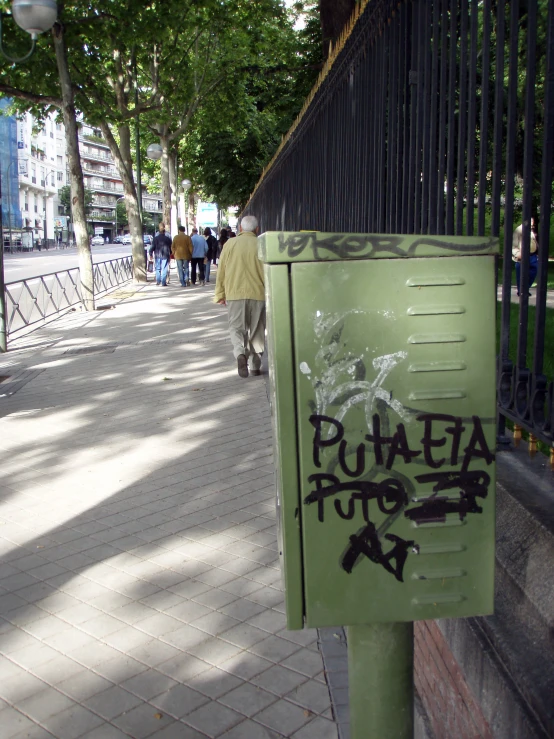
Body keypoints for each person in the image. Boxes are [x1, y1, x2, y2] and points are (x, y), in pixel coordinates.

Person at [214, 215, 265, 378]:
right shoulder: (262, 244)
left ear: (241, 229)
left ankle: (240, 354)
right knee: (257, 331)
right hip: (259, 294)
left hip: (235, 294)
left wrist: (220, 294)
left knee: (236, 329)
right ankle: (255, 367)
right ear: (257, 229)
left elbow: (221, 271)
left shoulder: (230, 244)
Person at [513, 218, 539, 296]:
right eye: (531, 221)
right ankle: (521, 291)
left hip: (532, 255)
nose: (532, 223)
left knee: (534, 271)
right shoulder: (519, 230)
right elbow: (514, 244)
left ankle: (525, 289)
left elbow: (534, 242)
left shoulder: (530, 230)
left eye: (533, 222)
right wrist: (517, 254)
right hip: (522, 255)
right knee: (521, 274)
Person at [149, 222, 172, 286]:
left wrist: (150, 254)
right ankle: (163, 282)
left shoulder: (155, 238)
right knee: (164, 268)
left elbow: (152, 247)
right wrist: (171, 253)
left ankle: (158, 281)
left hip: (157, 255)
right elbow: (171, 246)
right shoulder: (168, 238)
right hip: (165, 255)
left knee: (158, 268)